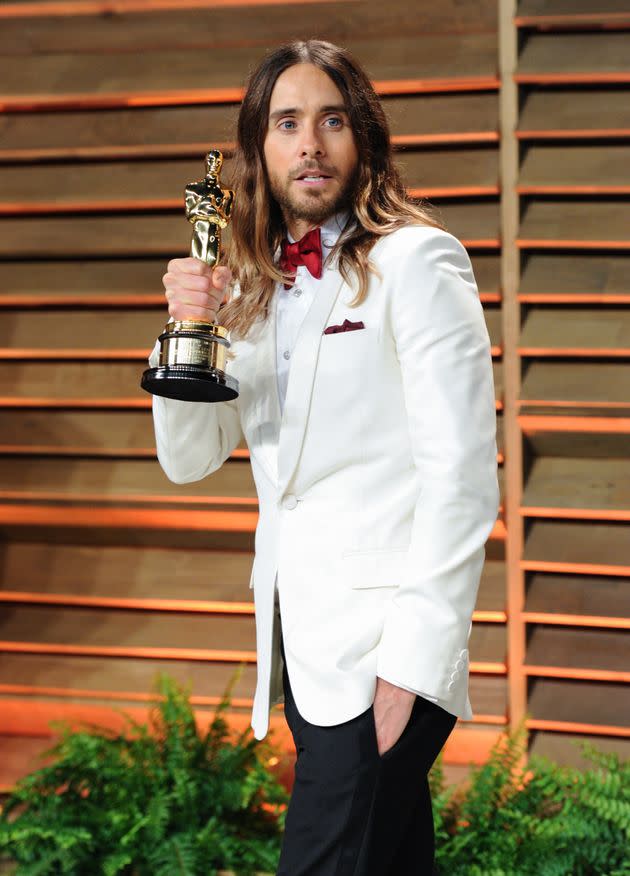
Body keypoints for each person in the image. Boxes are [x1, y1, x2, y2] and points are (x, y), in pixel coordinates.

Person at [148, 38, 500, 876]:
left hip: (384, 656)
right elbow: (191, 459)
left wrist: (411, 669)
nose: (310, 143)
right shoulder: (262, 291)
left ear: (363, 138)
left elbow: (462, 482)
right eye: (288, 123)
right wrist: (189, 330)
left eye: (332, 120)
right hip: (303, 650)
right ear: (259, 151)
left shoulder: (418, 261)